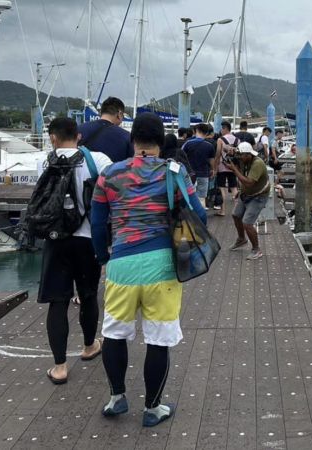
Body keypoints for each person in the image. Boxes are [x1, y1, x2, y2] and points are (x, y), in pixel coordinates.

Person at [90, 113, 207, 427]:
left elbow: (98, 223)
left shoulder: (109, 174)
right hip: (162, 267)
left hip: (121, 266)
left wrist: (103, 257)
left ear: (132, 140)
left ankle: (117, 399)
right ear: (161, 141)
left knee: (114, 333)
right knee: (158, 339)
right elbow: (200, 216)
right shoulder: (174, 171)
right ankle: (153, 408)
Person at [39, 117, 112, 385]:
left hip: (55, 239)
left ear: (53, 138)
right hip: (88, 239)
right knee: (89, 295)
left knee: (57, 301)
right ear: (78, 136)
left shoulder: (44, 161)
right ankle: (89, 345)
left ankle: (59, 367)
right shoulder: (99, 161)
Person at [226, 142, 270, 260]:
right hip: (246, 194)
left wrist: (234, 170)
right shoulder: (244, 160)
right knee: (236, 215)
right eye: (239, 155)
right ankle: (241, 239)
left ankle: (256, 249)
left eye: (242, 156)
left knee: (247, 222)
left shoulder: (257, 164)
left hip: (258, 196)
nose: (240, 158)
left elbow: (249, 182)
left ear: (248, 155)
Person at [79, 97, 133, 163]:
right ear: (119, 114)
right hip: (112, 172)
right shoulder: (126, 136)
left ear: (101, 112)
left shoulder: (80, 129)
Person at [183, 123, 216, 206]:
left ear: (196, 131)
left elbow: (181, 157)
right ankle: (201, 217)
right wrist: (213, 170)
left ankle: (191, 217)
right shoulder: (209, 146)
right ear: (207, 133)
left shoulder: (188, 143)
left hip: (189, 174)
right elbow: (212, 161)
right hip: (204, 174)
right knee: (201, 198)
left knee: (189, 197)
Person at [214, 121, 240, 216]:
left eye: (222, 128)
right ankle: (237, 210)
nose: (221, 130)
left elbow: (217, 154)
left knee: (222, 188)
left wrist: (215, 167)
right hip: (233, 167)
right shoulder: (237, 140)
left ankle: (223, 211)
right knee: (234, 187)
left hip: (222, 166)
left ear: (225, 128)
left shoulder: (220, 140)